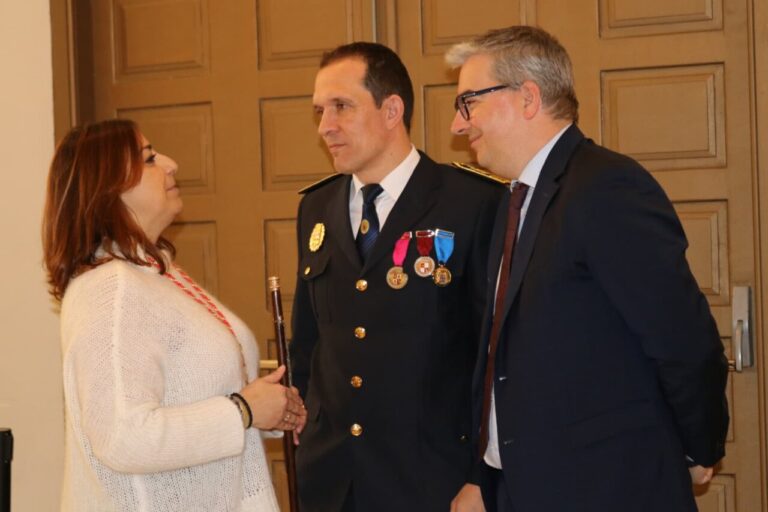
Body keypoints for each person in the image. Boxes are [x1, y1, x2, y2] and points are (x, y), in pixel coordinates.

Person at [446, 26, 729, 512]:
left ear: (528, 98)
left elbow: (682, 338)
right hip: (523, 486)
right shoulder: (513, 202)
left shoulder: (606, 187)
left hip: (608, 487)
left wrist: (698, 445)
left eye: (468, 101)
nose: (457, 124)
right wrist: (485, 474)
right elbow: (504, 357)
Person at [42, 119, 307, 511]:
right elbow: (122, 435)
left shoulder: (157, 273)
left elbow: (191, 398)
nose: (171, 163)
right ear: (110, 188)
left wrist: (263, 410)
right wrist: (244, 410)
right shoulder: (109, 289)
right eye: (149, 159)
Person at [290, 42, 505, 512]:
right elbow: (308, 345)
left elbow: (493, 355)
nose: (326, 126)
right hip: (332, 483)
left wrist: (481, 476)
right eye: (320, 111)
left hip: (431, 480)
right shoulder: (316, 207)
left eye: (342, 107)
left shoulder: (471, 203)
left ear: (392, 110)